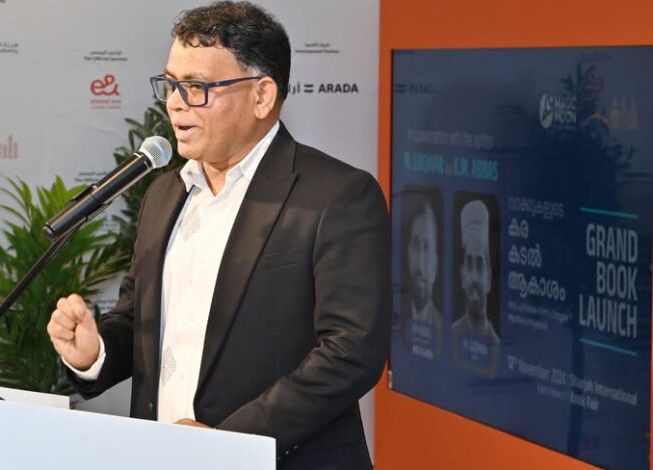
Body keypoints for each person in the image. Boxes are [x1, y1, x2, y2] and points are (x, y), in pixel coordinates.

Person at [46, 2, 391, 469]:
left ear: (262, 96)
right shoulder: (164, 194)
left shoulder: (336, 196)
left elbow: (351, 353)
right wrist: (95, 353)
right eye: (171, 84)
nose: (175, 103)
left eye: (197, 88)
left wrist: (229, 444)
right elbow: (138, 321)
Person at [451, 199, 499, 345]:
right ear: (462, 276)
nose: (474, 278)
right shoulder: (450, 337)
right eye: (469, 265)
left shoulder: (496, 347)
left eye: (479, 266)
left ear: (489, 278)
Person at [405, 195, 441, 326]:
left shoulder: (446, 329)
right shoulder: (390, 318)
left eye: (426, 247)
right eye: (415, 246)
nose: (420, 263)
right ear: (408, 253)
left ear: (435, 263)